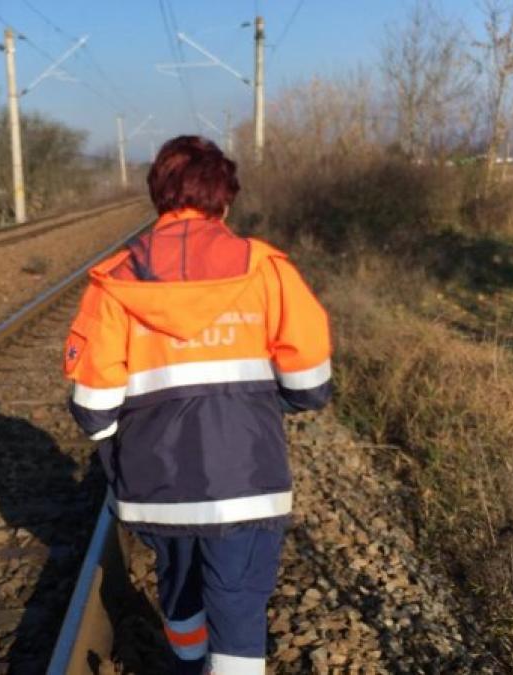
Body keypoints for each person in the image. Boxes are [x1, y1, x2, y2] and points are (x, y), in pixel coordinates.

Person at [63, 135, 332, 674]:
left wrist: (124, 446)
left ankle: (188, 666)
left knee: (180, 592)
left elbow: (93, 410)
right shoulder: (267, 270)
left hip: (158, 490)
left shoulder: (116, 282)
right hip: (247, 483)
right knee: (238, 605)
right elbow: (309, 386)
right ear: (224, 199)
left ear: (158, 195)